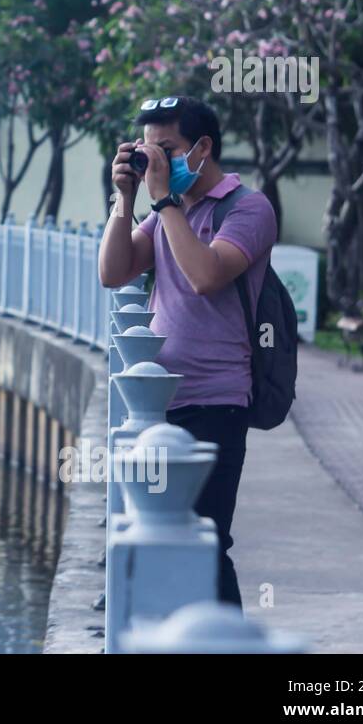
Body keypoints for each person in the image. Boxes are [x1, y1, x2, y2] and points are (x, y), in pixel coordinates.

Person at [97, 95, 277, 609]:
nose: (155, 161)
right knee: (157, 541)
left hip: (215, 403)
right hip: (155, 405)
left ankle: (227, 643)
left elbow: (205, 276)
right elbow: (113, 272)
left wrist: (163, 203)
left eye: (166, 150)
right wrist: (125, 200)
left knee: (206, 543)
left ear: (202, 148)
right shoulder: (169, 211)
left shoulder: (248, 208)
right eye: (146, 151)